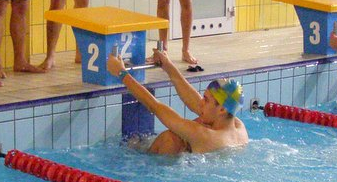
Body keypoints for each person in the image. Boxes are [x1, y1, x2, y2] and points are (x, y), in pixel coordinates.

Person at [106, 50, 248, 154]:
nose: (201, 103)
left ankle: (138, 153)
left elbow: (154, 106)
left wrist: (121, 73)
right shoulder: (238, 127)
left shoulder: (204, 135)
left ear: (222, 109)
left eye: (206, 100)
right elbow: (195, 102)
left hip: (155, 166)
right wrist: (168, 66)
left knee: (170, 139)